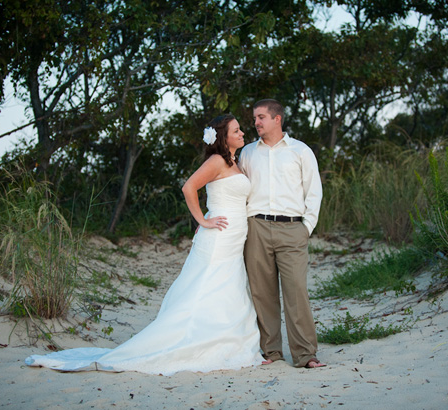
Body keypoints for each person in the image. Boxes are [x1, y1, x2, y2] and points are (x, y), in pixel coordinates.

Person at [26, 114, 267, 375]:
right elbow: (189, 188)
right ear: (224, 137)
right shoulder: (217, 160)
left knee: (229, 285)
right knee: (207, 286)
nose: (242, 133)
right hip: (219, 235)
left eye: (241, 129)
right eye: (236, 130)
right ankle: (193, 339)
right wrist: (203, 220)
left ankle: (230, 342)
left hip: (235, 236)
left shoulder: (236, 162)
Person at [239, 99, 325, 368]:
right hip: (257, 228)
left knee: (296, 291)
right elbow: (239, 190)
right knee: (262, 293)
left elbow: (314, 190)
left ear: (277, 119)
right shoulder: (248, 153)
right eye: (255, 118)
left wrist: (306, 227)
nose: (256, 123)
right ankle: (271, 352)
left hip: (292, 229)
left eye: (261, 117)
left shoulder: (300, 151)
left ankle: (304, 354)